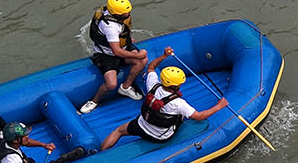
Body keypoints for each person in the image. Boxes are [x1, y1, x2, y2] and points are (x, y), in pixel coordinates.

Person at [99, 48, 231, 150]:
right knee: (182, 117)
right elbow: (200, 116)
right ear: (176, 85)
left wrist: (164, 55)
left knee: (118, 131)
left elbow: (151, 67)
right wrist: (220, 105)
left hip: (142, 125)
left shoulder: (153, 84)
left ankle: (101, 154)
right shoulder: (178, 103)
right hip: (160, 136)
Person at [78, 0, 152, 113]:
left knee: (143, 61)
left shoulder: (115, 15)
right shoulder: (110, 27)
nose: (128, 14)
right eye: (125, 13)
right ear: (117, 14)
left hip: (121, 47)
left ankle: (125, 87)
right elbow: (116, 51)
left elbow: (123, 30)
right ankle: (94, 101)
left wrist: (127, 39)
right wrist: (137, 55)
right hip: (107, 55)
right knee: (111, 84)